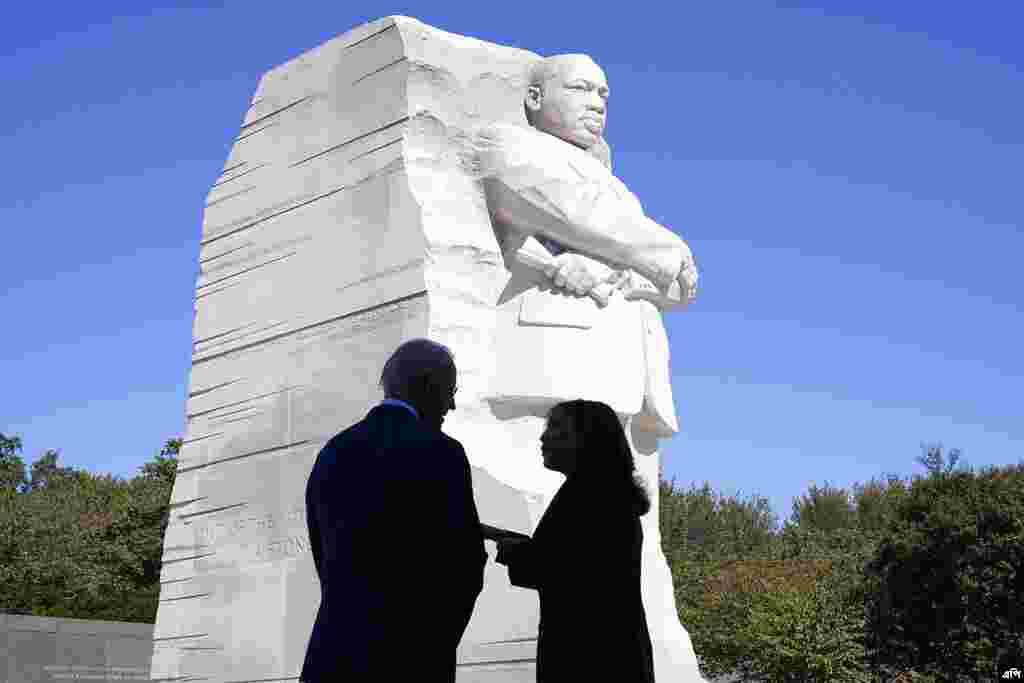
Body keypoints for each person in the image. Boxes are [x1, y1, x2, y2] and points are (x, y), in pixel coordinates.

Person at [300, 338, 487, 682]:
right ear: (429, 387)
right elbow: (466, 566)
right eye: (450, 390)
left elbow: (323, 553)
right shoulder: (442, 452)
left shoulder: (334, 451)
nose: (454, 404)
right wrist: (435, 645)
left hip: (332, 656)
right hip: (409, 659)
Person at [488, 399, 656, 683]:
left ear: (587, 439)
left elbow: (562, 569)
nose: (544, 437)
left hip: (591, 659)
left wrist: (511, 549)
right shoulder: (604, 493)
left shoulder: (591, 497)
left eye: (556, 428)